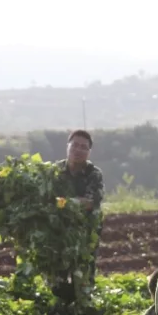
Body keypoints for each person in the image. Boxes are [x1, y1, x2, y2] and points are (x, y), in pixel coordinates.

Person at [51, 129, 104, 305]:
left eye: (84, 147)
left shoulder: (94, 174)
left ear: (89, 152)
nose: (78, 150)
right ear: (68, 147)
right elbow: (45, 200)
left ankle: (83, 310)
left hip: (85, 233)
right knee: (57, 277)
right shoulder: (55, 171)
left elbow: (90, 202)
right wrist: (71, 203)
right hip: (59, 232)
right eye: (75, 145)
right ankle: (59, 311)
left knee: (83, 276)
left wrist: (62, 203)